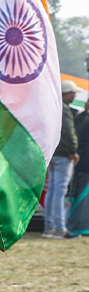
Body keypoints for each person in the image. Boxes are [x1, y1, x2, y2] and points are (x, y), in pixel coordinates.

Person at [43, 79, 79, 239]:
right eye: (73, 93)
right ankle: (60, 229)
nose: (75, 95)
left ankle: (49, 227)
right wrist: (73, 151)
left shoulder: (53, 106)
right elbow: (68, 131)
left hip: (53, 153)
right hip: (64, 155)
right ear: (67, 93)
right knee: (59, 191)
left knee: (52, 191)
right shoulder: (64, 109)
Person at [66, 96, 89, 237]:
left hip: (81, 164)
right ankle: (77, 227)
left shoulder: (82, 120)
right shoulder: (85, 121)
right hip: (85, 164)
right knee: (82, 197)